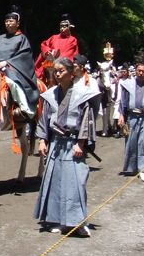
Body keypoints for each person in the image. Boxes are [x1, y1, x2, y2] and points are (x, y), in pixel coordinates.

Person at [34, 57, 99, 237]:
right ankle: (55, 219)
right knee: (54, 181)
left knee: (75, 182)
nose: (57, 73)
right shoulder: (50, 94)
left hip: (72, 143)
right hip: (55, 142)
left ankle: (76, 221)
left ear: (72, 74)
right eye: (55, 70)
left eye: (61, 70)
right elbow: (44, 119)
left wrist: (81, 143)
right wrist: (42, 140)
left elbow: (87, 120)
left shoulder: (82, 94)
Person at [0, 6, 39, 116]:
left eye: (11, 21)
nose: (8, 24)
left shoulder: (22, 38)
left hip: (12, 68)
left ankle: (25, 109)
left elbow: (24, 56)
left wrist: (6, 62)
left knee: (13, 83)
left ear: (17, 23)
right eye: (6, 21)